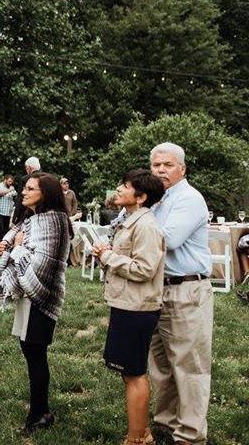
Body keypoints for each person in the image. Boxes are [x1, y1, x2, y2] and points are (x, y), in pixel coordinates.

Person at [91, 170, 166, 445]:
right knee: (128, 371)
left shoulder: (145, 226)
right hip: (127, 304)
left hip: (138, 308)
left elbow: (145, 269)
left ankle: (137, 438)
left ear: (141, 197)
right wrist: (105, 255)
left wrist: (108, 256)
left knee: (134, 373)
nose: (118, 189)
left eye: (125, 186)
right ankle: (141, 432)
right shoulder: (132, 221)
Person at [147, 142, 213, 445]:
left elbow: (168, 240)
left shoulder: (189, 198)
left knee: (189, 366)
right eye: (156, 165)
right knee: (161, 365)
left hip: (187, 290)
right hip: (158, 290)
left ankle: (189, 435)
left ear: (182, 169)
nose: (161, 170)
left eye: (168, 165)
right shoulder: (158, 200)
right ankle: (165, 424)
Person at [0, 172, 71, 435]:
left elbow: (42, 264)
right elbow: (16, 233)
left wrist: (15, 249)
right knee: (30, 350)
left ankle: (39, 414)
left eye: (30, 189)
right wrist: (8, 242)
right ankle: (40, 409)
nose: (24, 192)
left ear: (46, 193)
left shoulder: (55, 221)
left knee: (35, 352)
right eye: (24, 188)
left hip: (42, 294)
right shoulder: (34, 219)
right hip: (29, 294)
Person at [13, 156, 41, 223]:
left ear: (29, 168)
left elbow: (20, 199)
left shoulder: (25, 179)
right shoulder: (48, 178)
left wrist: (15, 218)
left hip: (27, 214)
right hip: (43, 213)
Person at [0, 174, 16, 240]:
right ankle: (0, 243)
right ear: (5, 180)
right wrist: (9, 190)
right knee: (0, 228)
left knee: (6, 230)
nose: (11, 183)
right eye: (9, 181)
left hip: (7, 212)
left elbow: (15, 195)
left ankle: (4, 245)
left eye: (11, 182)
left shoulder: (11, 188)